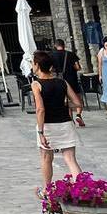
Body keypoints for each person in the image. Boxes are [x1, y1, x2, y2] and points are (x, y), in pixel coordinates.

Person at [32, 51, 84, 195]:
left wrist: (40, 132)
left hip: (48, 125)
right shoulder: (62, 82)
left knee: (46, 158)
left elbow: (40, 109)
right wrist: (65, 107)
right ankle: (83, 189)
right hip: (65, 124)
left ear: (37, 65)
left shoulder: (36, 84)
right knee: (71, 159)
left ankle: (47, 190)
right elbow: (78, 103)